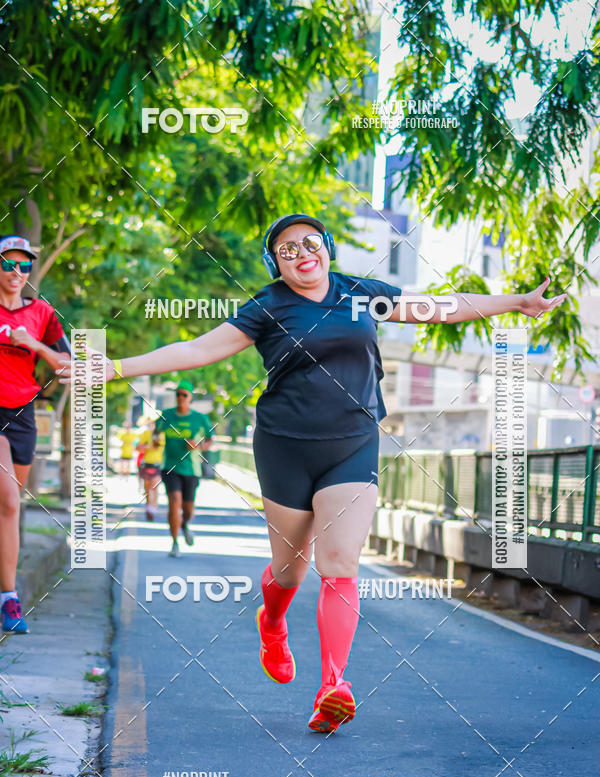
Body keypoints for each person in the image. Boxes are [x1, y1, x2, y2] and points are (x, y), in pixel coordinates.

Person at [59, 213, 566, 731]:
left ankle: (333, 686)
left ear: (325, 247)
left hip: (353, 444)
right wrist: (115, 366)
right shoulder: (268, 306)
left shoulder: (362, 293)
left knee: (340, 562)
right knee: (290, 571)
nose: (302, 252)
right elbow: (196, 350)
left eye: (309, 242)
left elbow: (440, 308)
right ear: (275, 264)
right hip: (284, 447)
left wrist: (517, 303)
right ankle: (272, 622)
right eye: (286, 249)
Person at [0, 235, 70, 634]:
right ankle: (10, 599)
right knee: (8, 499)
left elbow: (67, 366)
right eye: (8, 264)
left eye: (23, 266)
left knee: (10, 506)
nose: (15, 273)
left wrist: (33, 345)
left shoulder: (41, 313)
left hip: (22, 413)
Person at [153, 381, 212, 557]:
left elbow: (210, 441)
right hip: (170, 467)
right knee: (174, 501)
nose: (180, 398)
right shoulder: (166, 415)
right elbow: (156, 432)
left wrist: (198, 445)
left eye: (184, 394)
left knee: (188, 509)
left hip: (192, 469)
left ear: (190, 397)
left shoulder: (200, 418)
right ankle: (174, 542)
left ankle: (185, 524)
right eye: (178, 394)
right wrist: (155, 439)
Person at [136, 417, 164, 521]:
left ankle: (153, 509)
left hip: (158, 464)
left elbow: (159, 448)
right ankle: (148, 506)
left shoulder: (163, 435)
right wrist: (145, 446)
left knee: (154, 487)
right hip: (146, 463)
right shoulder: (146, 434)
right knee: (147, 488)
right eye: (152, 423)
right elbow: (138, 447)